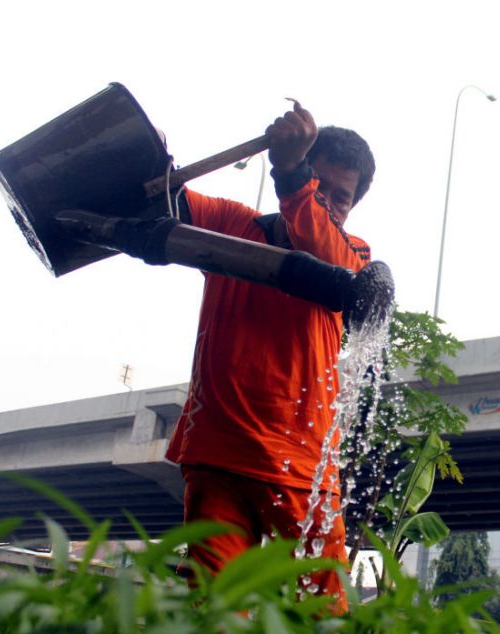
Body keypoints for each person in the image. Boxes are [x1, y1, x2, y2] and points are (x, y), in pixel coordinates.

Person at [164, 100, 376, 612]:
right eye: (317, 184)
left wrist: (291, 173)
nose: (325, 202)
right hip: (219, 454)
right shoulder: (230, 224)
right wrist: (153, 166)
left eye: (340, 199)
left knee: (322, 617)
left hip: (301, 467)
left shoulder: (353, 256)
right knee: (214, 613)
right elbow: (164, 206)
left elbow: (316, 242)